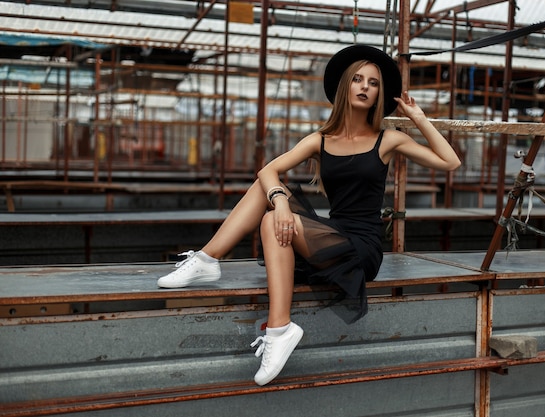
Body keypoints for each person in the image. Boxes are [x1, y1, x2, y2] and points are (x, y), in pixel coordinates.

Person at [156, 44, 461, 386]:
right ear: (345, 86)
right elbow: (268, 171)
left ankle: (279, 329)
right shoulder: (320, 140)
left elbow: (451, 162)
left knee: (272, 220)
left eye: (373, 83)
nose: (364, 87)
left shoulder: (387, 139)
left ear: (379, 94)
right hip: (328, 233)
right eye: (357, 79)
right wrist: (282, 202)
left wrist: (417, 118)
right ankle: (208, 260)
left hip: (361, 247)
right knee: (267, 191)